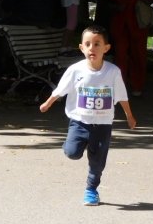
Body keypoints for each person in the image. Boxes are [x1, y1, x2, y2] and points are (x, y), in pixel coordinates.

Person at [39, 25, 136, 205]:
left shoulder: (112, 71)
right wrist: (48, 103)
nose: (92, 48)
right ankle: (71, 143)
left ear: (106, 48)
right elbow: (61, 89)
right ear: (82, 48)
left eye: (97, 44)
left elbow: (122, 96)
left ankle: (91, 190)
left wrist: (129, 116)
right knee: (72, 153)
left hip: (103, 124)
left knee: (97, 162)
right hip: (79, 121)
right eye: (88, 44)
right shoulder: (76, 70)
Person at [106, 0, 153, 96]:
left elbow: (151, 0)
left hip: (138, 25)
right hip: (121, 25)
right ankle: (119, 86)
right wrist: (117, 6)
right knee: (120, 56)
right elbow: (108, 2)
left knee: (138, 56)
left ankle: (137, 86)